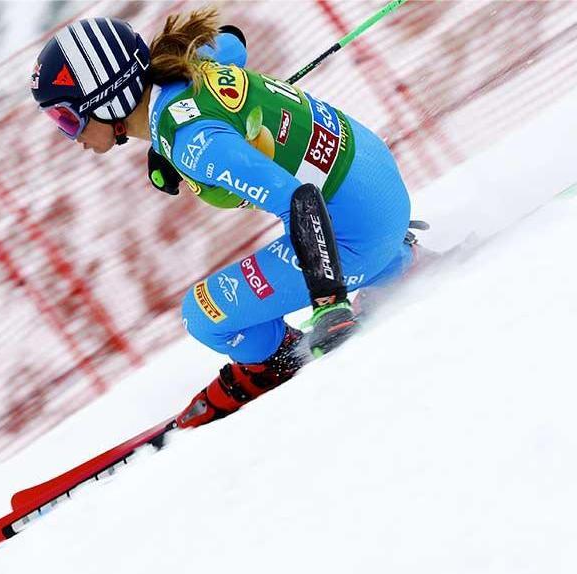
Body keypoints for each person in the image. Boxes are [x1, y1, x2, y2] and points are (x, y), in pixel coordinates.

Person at [30, 9, 418, 428]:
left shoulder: (193, 143)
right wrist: (163, 146)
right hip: (378, 181)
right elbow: (232, 40)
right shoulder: (188, 63)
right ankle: (392, 263)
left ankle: (275, 362)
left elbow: (298, 200)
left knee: (202, 315)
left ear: (110, 99)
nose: (72, 137)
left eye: (68, 119)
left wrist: (330, 307)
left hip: (359, 232)